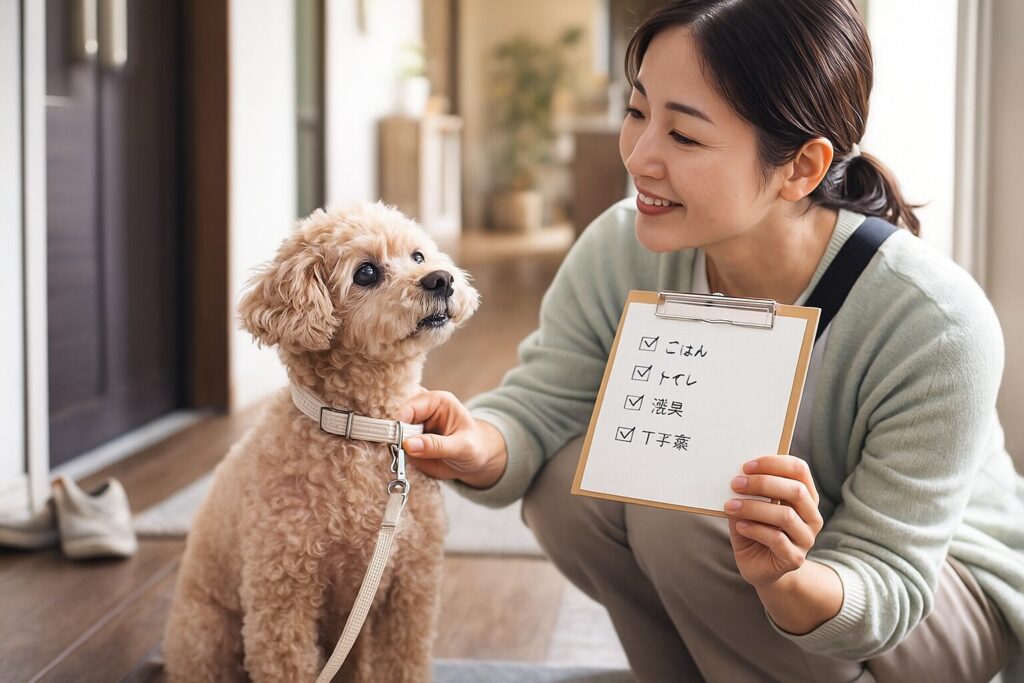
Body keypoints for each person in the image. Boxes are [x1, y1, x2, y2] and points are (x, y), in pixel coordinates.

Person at [398, 1, 1024, 681]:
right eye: (637, 112)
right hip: (763, 552)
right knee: (565, 485)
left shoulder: (936, 321)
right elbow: (546, 403)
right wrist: (479, 442)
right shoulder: (621, 245)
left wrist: (787, 578)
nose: (640, 156)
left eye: (685, 137)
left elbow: (893, 577)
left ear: (802, 167)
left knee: (683, 511)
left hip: (939, 591)